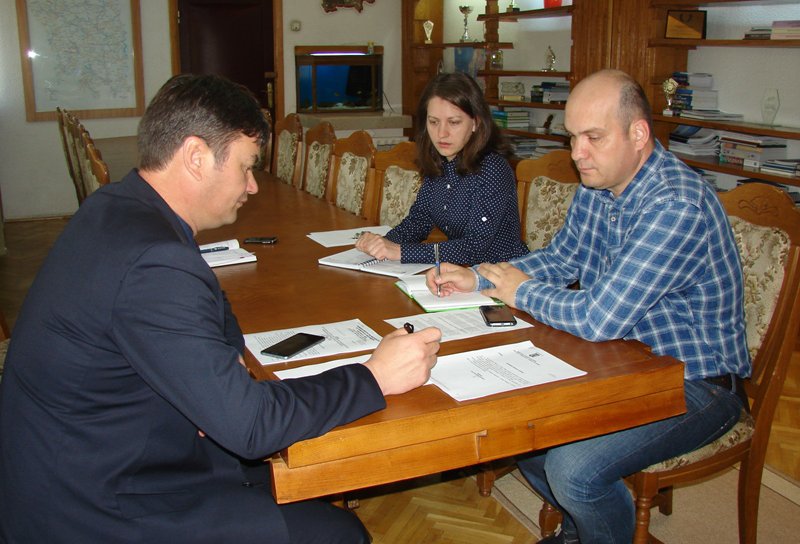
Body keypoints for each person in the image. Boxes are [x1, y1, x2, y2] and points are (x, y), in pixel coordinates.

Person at [0, 74, 441, 544]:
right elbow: (250, 426)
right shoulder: (156, 261)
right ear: (196, 156)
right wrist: (374, 376)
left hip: (92, 451)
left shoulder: (118, 206)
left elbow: (210, 306)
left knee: (276, 464)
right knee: (337, 534)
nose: (252, 186)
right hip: (95, 506)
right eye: (246, 167)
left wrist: (223, 367)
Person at [427, 69, 751, 544]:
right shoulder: (598, 184)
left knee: (573, 470)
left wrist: (518, 291)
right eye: (573, 137)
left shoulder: (677, 204)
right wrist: (480, 276)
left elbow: (599, 318)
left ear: (638, 134)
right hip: (623, 359)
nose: (577, 153)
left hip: (697, 383)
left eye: (593, 137)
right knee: (524, 432)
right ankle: (587, 530)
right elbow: (562, 259)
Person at [355, 71, 528, 265]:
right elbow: (418, 222)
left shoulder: (493, 168)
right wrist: (383, 243)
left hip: (504, 277)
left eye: (454, 122)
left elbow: (474, 248)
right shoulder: (440, 161)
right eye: (433, 122)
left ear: (476, 123)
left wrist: (401, 251)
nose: (441, 133)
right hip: (460, 274)